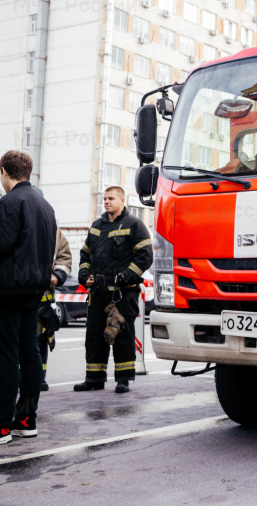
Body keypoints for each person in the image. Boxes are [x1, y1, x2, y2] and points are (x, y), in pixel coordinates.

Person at [0, 151, 57, 444]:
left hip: (9, 288)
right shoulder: (45, 205)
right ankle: (26, 419)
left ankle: (2, 425)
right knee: (30, 353)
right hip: (36, 288)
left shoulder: (10, 202)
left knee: (6, 355)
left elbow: (3, 243)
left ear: (4, 171)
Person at [74, 186, 153, 394]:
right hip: (98, 293)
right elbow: (84, 256)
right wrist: (84, 276)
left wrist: (126, 276)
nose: (106, 201)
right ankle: (94, 379)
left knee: (122, 337)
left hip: (122, 294)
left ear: (122, 201)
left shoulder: (134, 225)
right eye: (104, 198)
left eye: (110, 198)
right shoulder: (96, 226)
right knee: (94, 337)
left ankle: (124, 379)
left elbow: (145, 256)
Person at [38, 227, 73, 391]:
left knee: (40, 342)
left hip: (42, 304)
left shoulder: (51, 228)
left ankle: (38, 377)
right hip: (13, 301)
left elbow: (64, 257)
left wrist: (58, 275)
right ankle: (17, 379)